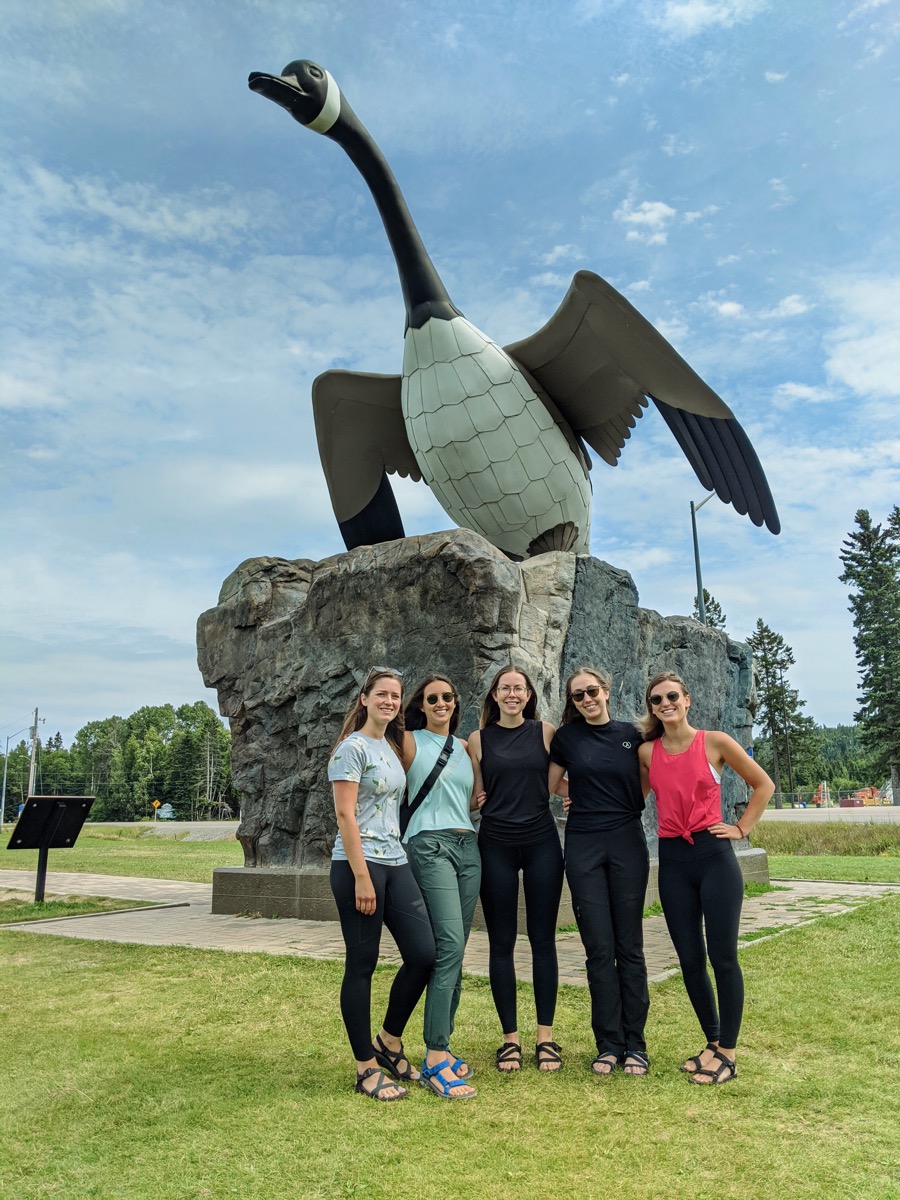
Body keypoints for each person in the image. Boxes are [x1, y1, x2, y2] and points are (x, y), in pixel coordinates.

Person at [637, 672, 774, 1084]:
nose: (666, 704)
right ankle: (713, 1043)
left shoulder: (714, 742)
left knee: (723, 957)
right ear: (653, 708)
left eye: (672, 696)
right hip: (673, 860)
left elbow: (762, 784)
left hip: (715, 857)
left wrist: (741, 828)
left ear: (687, 700)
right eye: (657, 699)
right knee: (690, 960)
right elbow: (630, 799)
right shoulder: (647, 752)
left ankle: (728, 1055)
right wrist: (576, 794)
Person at [328, 667, 436, 1101]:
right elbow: (345, 815)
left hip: (396, 860)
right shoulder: (350, 749)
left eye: (396, 696)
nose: (390, 702)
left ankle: (388, 1042)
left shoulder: (390, 746)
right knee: (362, 963)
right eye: (382, 695)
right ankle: (364, 1068)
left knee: (424, 954)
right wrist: (360, 878)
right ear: (364, 699)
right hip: (361, 865)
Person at [548, 667, 650, 1076]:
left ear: (606, 691)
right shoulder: (567, 738)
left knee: (630, 947)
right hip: (584, 844)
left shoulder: (633, 735)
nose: (586, 699)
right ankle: (607, 1044)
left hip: (627, 840)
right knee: (598, 948)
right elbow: (552, 784)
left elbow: (646, 780)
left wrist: (623, 803)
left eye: (592, 691)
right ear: (572, 702)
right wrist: (581, 794)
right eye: (577, 696)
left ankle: (636, 1045)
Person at [468, 665, 565, 1072]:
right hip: (495, 846)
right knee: (501, 943)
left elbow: (559, 782)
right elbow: (476, 794)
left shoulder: (546, 732)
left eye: (519, 688)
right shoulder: (477, 740)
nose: (512, 694)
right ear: (493, 695)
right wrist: (473, 801)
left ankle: (545, 1037)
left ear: (529, 695)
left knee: (543, 941)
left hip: (542, 842)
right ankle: (510, 1039)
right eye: (504, 688)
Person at [402, 674, 481, 1100]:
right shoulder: (412, 741)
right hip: (429, 844)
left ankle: (443, 1043)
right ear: (422, 704)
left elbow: (466, 797)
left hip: (468, 845)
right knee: (448, 944)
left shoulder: (467, 747)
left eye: (448, 697)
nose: (441, 703)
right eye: (432, 698)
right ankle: (434, 1056)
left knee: (458, 946)